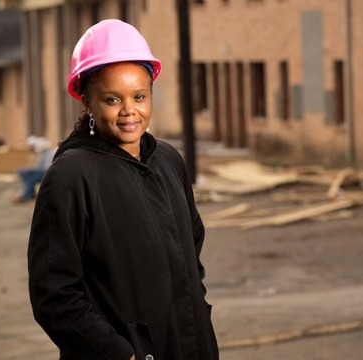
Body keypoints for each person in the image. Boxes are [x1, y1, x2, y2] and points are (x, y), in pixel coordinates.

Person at [27, 19, 219, 360]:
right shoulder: (70, 176)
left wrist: (198, 316)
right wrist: (120, 353)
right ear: (87, 101)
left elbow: (192, 251)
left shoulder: (168, 160)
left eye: (139, 96)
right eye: (113, 99)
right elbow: (54, 295)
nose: (130, 111)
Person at [13, 136, 55, 204]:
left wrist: (33, 169)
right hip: (40, 171)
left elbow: (46, 167)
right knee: (22, 172)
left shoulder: (49, 153)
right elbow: (36, 164)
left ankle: (27, 196)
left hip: (44, 173)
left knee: (30, 179)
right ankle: (30, 193)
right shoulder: (42, 153)